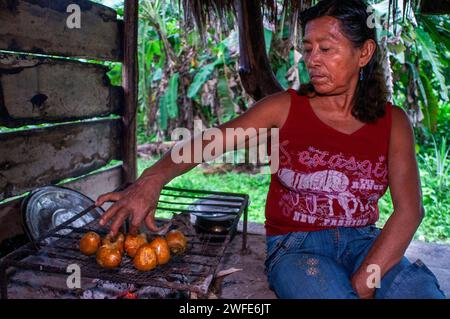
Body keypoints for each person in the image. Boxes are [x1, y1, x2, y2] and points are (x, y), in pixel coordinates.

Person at [95, 0, 445, 299]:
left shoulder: (393, 121)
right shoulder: (285, 107)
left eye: (327, 49)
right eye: (308, 49)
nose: (313, 59)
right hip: (297, 248)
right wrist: (151, 180)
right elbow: (208, 142)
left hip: (366, 244)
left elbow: (409, 211)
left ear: (364, 52)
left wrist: (364, 281)